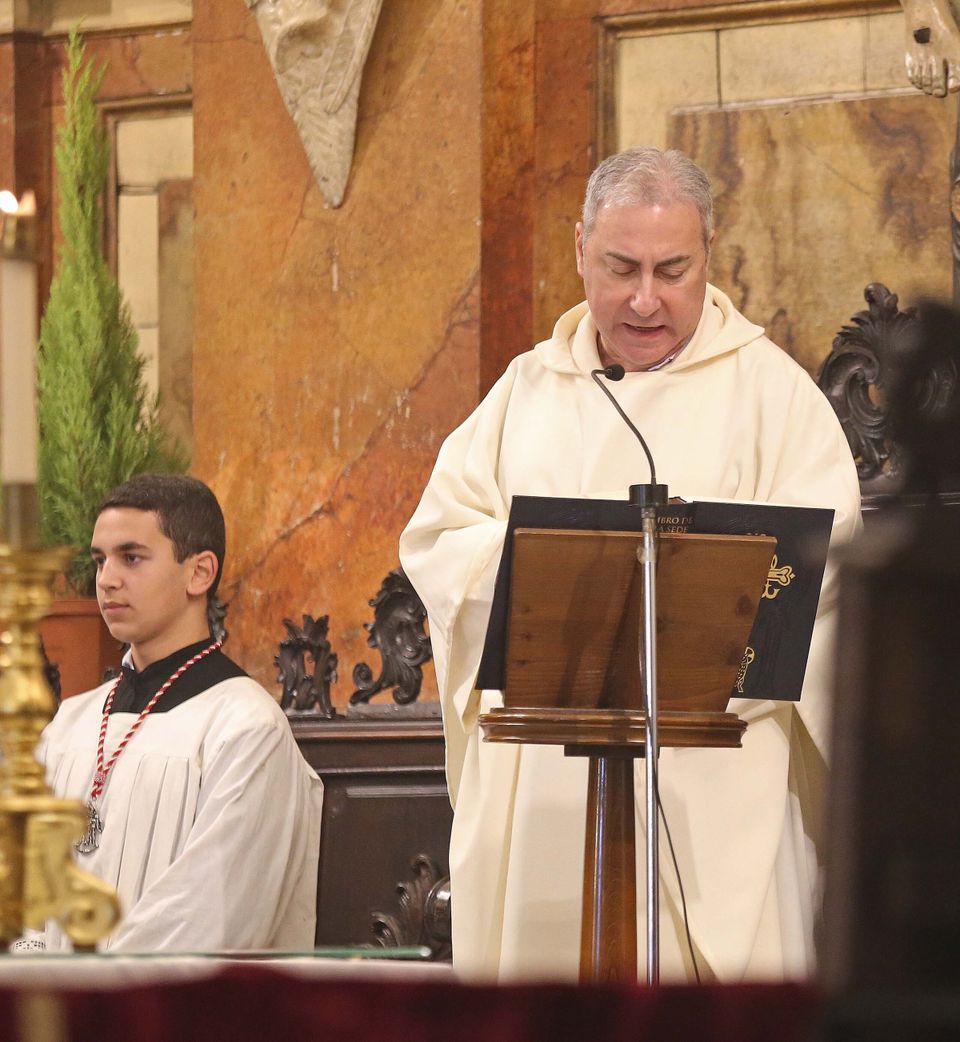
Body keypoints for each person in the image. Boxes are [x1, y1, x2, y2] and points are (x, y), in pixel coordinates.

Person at [400, 146, 862, 982]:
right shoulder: (526, 392)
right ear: (580, 250)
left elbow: (825, 568)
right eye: (619, 268)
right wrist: (544, 574)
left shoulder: (773, 396)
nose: (645, 299)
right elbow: (438, 540)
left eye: (671, 269)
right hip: (546, 782)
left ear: (709, 253)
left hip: (716, 781)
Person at [20, 474, 322, 953]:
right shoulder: (69, 726)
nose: (106, 579)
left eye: (131, 557)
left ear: (199, 573)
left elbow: (213, 916)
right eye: (100, 560)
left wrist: (88, 997)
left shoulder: (246, 730)